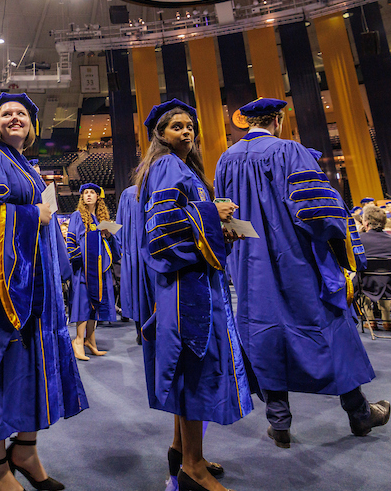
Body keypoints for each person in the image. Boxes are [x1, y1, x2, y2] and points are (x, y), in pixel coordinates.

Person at [218, 98, 388, 448]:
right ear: (278, 120)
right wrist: (343, 250)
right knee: (330, 331)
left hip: (250, 265)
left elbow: (225, 216)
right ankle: (359, 414)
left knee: (264, 334)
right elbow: (319, 213)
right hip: (296, 260)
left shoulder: (226, 159)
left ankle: (279, 423)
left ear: (245, 123)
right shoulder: (289, 151)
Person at [0, 93, 86, 491]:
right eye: (6, 113)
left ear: (31, 125)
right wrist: (33, 215)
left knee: (28, 370)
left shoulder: (25, 164)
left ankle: (24, 450)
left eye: (21, 113)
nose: (14, 117)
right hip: (0, 290)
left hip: (33, 288)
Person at [134, 99, 251, 491]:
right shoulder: (167, 165)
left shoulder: (182, 168)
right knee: (194, 366)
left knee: (188, 365)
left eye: (189, 126)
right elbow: (164, 227)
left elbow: (185, 219)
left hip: (190, 279)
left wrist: (219, 225)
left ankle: (182, 450)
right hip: (187, 283)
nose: (186, 132)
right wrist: (211, 217)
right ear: (160, 135)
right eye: (177, 127)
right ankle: (191, 469)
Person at [66, 182, 119, 360]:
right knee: (83, 304)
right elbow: (71, 242)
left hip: (100, 270)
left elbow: (115, 250)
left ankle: (90, 340)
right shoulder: (76, 216)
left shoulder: (101, 220)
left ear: (98, 197)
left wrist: (108, 235)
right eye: (85, 193)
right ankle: (78, 341)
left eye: (92, 193)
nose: (88, 195)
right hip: (83, 270)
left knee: (94, 306)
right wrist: (81, 259)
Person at [358, 207, 391, 332]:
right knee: (383, 277)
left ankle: (370, 320)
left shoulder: (359, 240)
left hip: (367, 285)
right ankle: (387, 321)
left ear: (366, 223)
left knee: (362, 276)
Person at [116, 184, 150, 345]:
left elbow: (120, 227)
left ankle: (140, 331)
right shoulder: (153, 190)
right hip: (149, 251)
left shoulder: (127, 193)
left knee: (137, 290)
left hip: (132, 252)